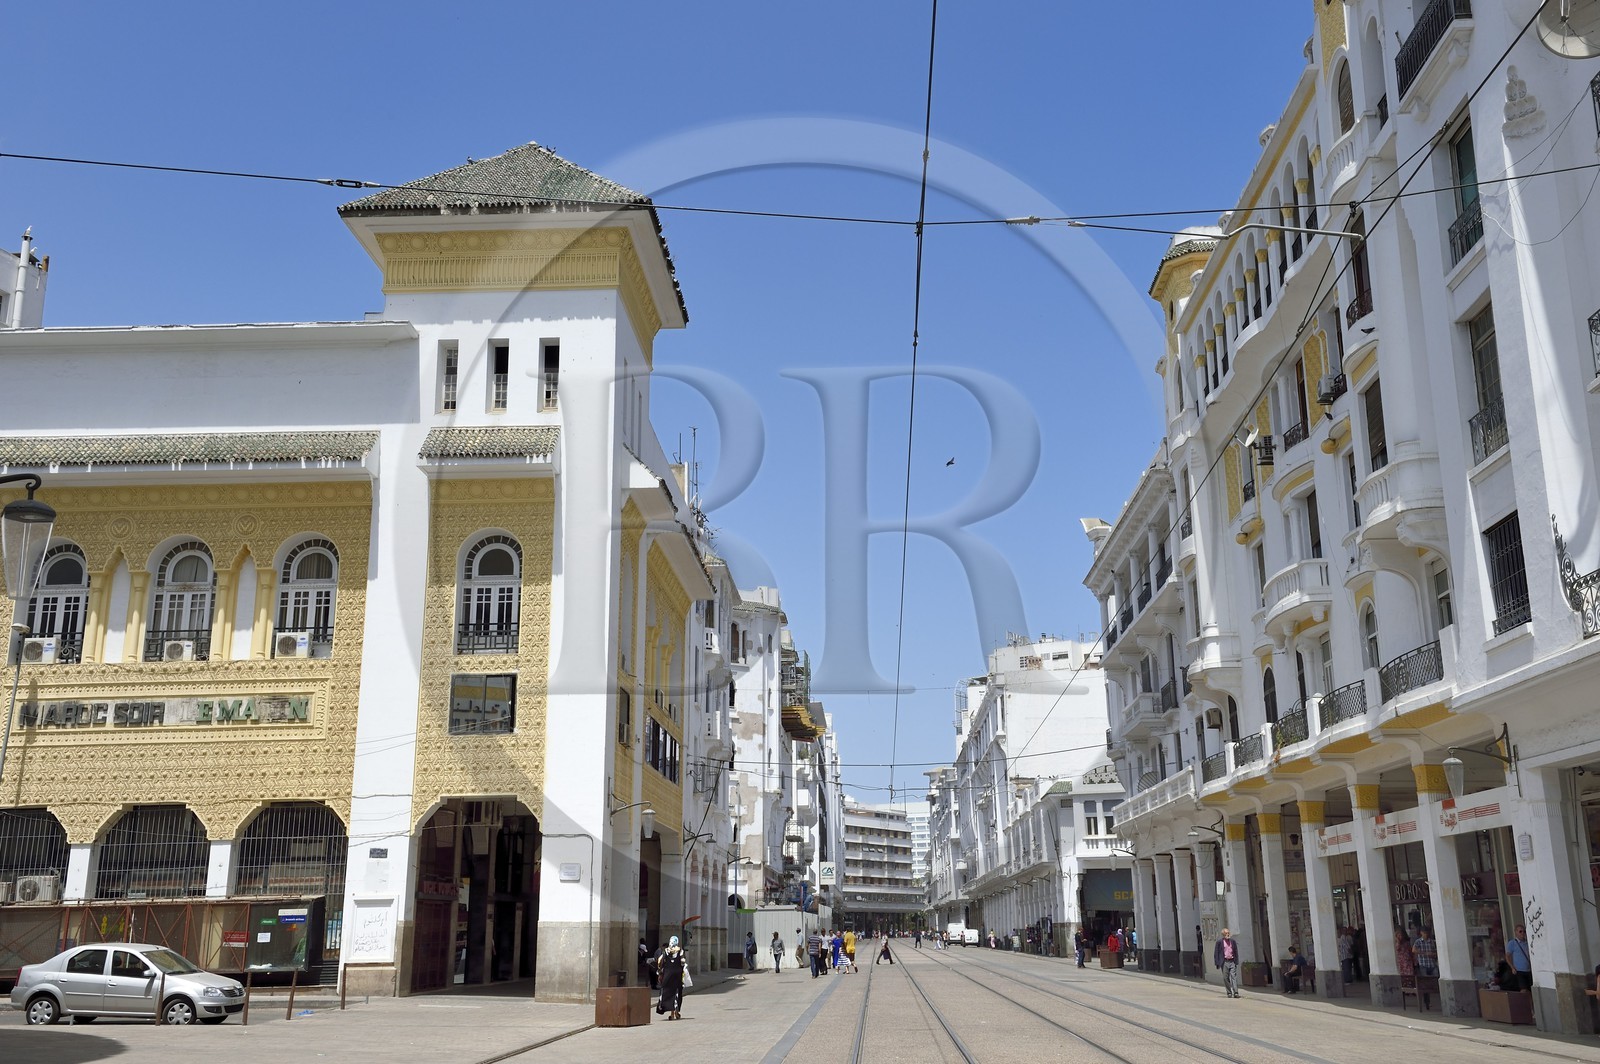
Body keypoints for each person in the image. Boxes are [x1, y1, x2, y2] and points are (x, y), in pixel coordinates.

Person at [654, 935, 687, 1020]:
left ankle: (672, 1013)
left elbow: (660, 962)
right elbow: (683, 962)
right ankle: (676, 1012)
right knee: (677, 993)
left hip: (667, 975)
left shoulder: (666, 951)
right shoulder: (681, 951)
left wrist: (660, 973)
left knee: (668, 993)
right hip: (677, 975)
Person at [1214, 927, 1241, 998]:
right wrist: (1217, 962)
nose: (1228, 934)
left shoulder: (1233, 941)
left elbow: (1235, 951)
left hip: (1232, 961)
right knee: (1225, 978)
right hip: (1224, 962)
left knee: (1233, 976)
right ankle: (1229, 992)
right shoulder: (1219, 942)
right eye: (1226, 933)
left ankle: (1236, 992)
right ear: (1223, 934)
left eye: (1228, 933)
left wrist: (1236, 961)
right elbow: (1216, 953)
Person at [1505, 924, 1532, 991]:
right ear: (1516, 932)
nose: (1522, 933)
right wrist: (1512, 967)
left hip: (1529, 970)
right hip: (1519, 971)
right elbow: (1507, 956)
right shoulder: (1512, 943)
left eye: (1524, 931)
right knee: (1523, 989)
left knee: (1530, 989)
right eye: (1520, 931)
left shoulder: (1527, 943)